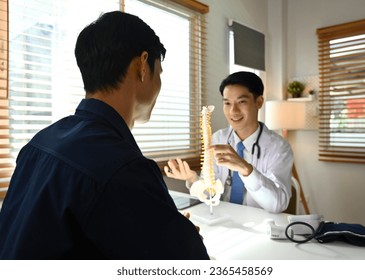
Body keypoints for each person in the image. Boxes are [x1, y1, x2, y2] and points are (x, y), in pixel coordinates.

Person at [0, 11, 209, 260]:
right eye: (160, 73)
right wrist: (186, 238)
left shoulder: (39, 143)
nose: (159, 85)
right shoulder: (123, 168)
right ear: (142, 65)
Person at [164, 71, 293, 213]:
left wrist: (246, 170)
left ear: (259, 102)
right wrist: (193, 178)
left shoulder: (279, 148)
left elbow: (278, 204)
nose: (233, 111)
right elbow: (211, 195)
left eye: (241, 102)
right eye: (227, 103)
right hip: (224, 221)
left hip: (260, 226)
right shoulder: (218, 139)